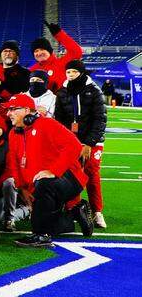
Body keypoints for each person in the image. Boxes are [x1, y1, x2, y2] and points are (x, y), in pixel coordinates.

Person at [5, 94, 93, 248]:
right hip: (41, 185)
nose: (8, 113)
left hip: (69, 178)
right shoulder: (14, 133)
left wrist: (53, 171)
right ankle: (76, 212)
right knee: (53, 225)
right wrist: (22, 188)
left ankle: (41, 236)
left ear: (27, 110)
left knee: (44, 183)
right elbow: (14, 162)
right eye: (8, 110)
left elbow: (74, 145)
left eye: (13, 109)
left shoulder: (46, 124)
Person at [54, 60, 108, 228]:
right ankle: (74, 210)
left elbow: (100, 119)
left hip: (93, 141)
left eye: (74, 72)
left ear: (82, 73)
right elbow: (59, 120)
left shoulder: (94, 91)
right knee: (71, 176)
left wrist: (89, 143)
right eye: (68, 72)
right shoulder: (62, 92)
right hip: (72, 141)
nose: (70, 75)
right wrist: (67, 142)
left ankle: (97, 211)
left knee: (92, 174)